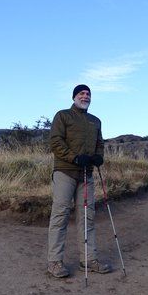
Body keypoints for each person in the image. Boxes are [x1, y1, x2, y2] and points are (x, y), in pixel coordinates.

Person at [47, 84, 112, 278]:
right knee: (60, 215)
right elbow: (56, 141)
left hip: (87, 174)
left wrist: (99, 157)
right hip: (65, 171)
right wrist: (74, 157)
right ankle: (55, 262)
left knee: (87, 217)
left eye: (88, 94)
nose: (85, 96)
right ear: (75, 96)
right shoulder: (63, 115)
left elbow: (100, 144)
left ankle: (89, 259)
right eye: (82, 93)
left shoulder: (95, 121)